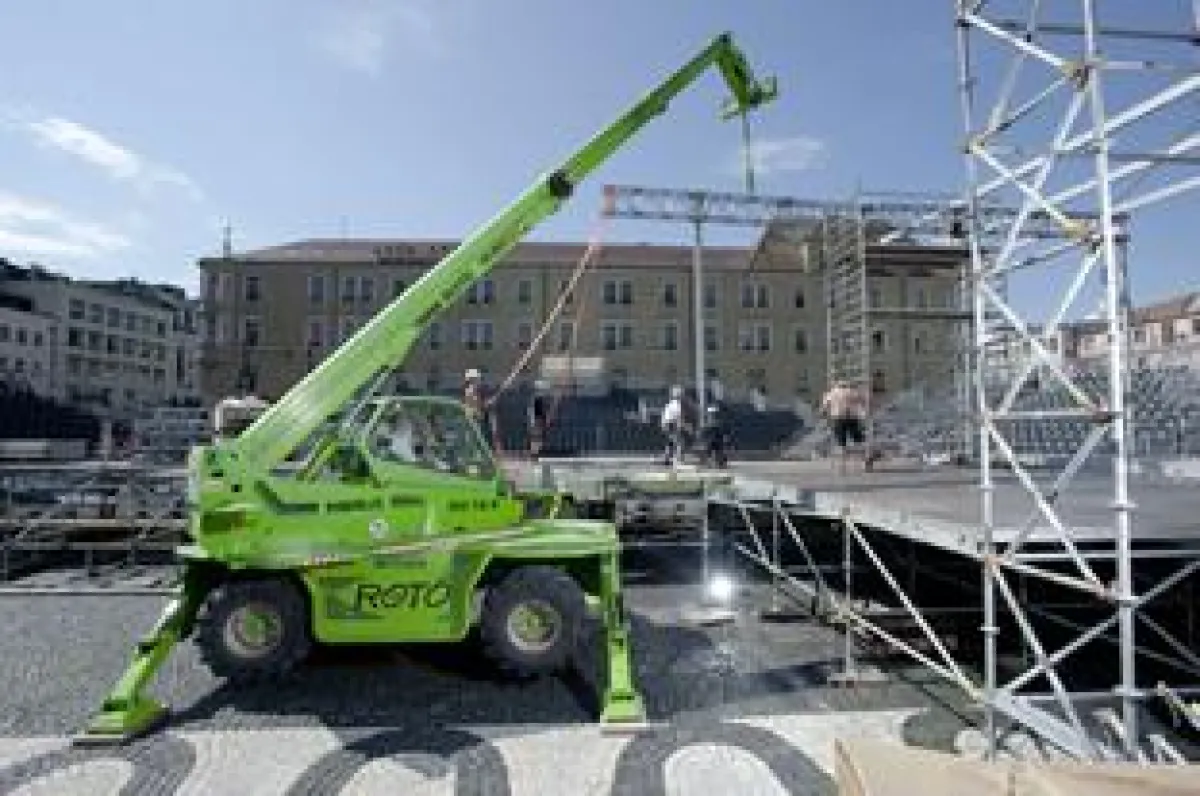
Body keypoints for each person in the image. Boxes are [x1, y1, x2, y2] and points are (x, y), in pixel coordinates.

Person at [820, 379, 870, 473]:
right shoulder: (853, 392)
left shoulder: (832, 393)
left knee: (841, 443)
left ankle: (842, 466)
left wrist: (824, 415)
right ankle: (864, 463)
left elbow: (824, 407)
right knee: (858, 441)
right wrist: (863, 413)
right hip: (853, 418)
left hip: (838, 418)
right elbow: (864, 402)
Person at [462, 368, 496, 448]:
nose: (479, 380)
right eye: (477, 378)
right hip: (474, 419)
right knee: (476, 440)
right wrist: (487, 403)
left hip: (474, 418)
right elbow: (477, 404)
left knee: (475, 439)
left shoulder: (471, 389)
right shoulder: (471, 390)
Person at [660, 385, 686, 466]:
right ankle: (678, 459)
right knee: (679, 442)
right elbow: (678, 417)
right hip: (672, 424)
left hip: (666, 424)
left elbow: (664, 416)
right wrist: (679, 426)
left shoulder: (669, 404)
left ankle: (667, 458)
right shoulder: (677, 405)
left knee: (670, 442)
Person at [528, 380, 550, 460]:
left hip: (538, 420)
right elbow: (533, 411)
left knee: (538, 438)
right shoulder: (536, 399)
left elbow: (543, 411)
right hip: (537, 420)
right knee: (536, 437)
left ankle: (536, 454)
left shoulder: (540, 399)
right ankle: (534, 454)